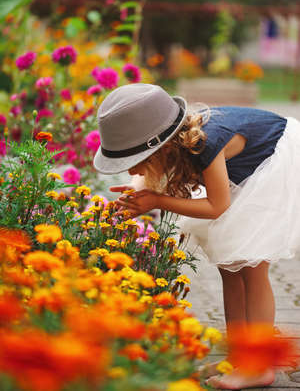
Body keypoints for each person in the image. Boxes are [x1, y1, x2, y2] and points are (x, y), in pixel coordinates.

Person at [93, 83, 300, 389]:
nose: (132, 171)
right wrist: (140, 192)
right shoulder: (174, 144)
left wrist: (157, 200)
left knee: (251, 266)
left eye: (133, 162)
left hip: (278, 161)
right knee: (230, 269)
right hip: (244, 172)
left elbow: (217, 206)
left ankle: (259, 365)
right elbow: (154, 176)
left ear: (156, 147)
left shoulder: (204, 143)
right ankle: (240, 354)